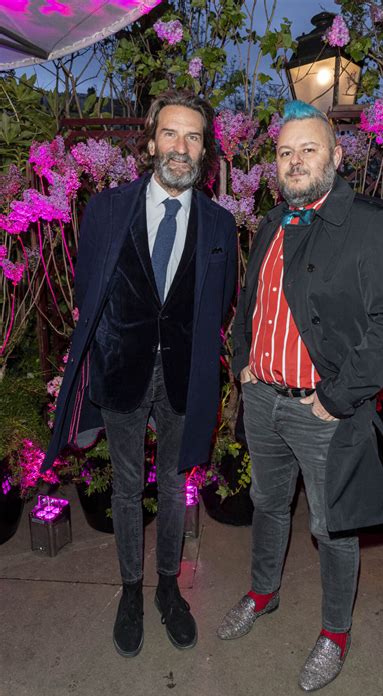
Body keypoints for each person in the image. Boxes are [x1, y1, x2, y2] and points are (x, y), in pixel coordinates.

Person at [217, 100, 383, 691]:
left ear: (335, 154)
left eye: (309, 149)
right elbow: (250, 300)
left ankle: (334, 633)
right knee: (267, 502)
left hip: (321, 410)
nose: (296, 161)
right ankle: (263, 593)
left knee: (333, 527)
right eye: (285, 153)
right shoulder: (274, 223)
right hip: (263, 401)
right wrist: (241, 363)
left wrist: (336, 397)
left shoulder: (369, 223)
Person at [42, 90, 237, 657]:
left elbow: (218, 302)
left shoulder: (221, 225)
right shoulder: (106, 209)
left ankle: (168, 589)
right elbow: (89, 287)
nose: (181, 148)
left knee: (175, 485)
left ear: (207, 151)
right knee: (127, 487)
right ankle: (131, 590)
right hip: (124, 369)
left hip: (183, 375)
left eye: (194, 137)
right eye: (171, 134)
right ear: (151, 141)